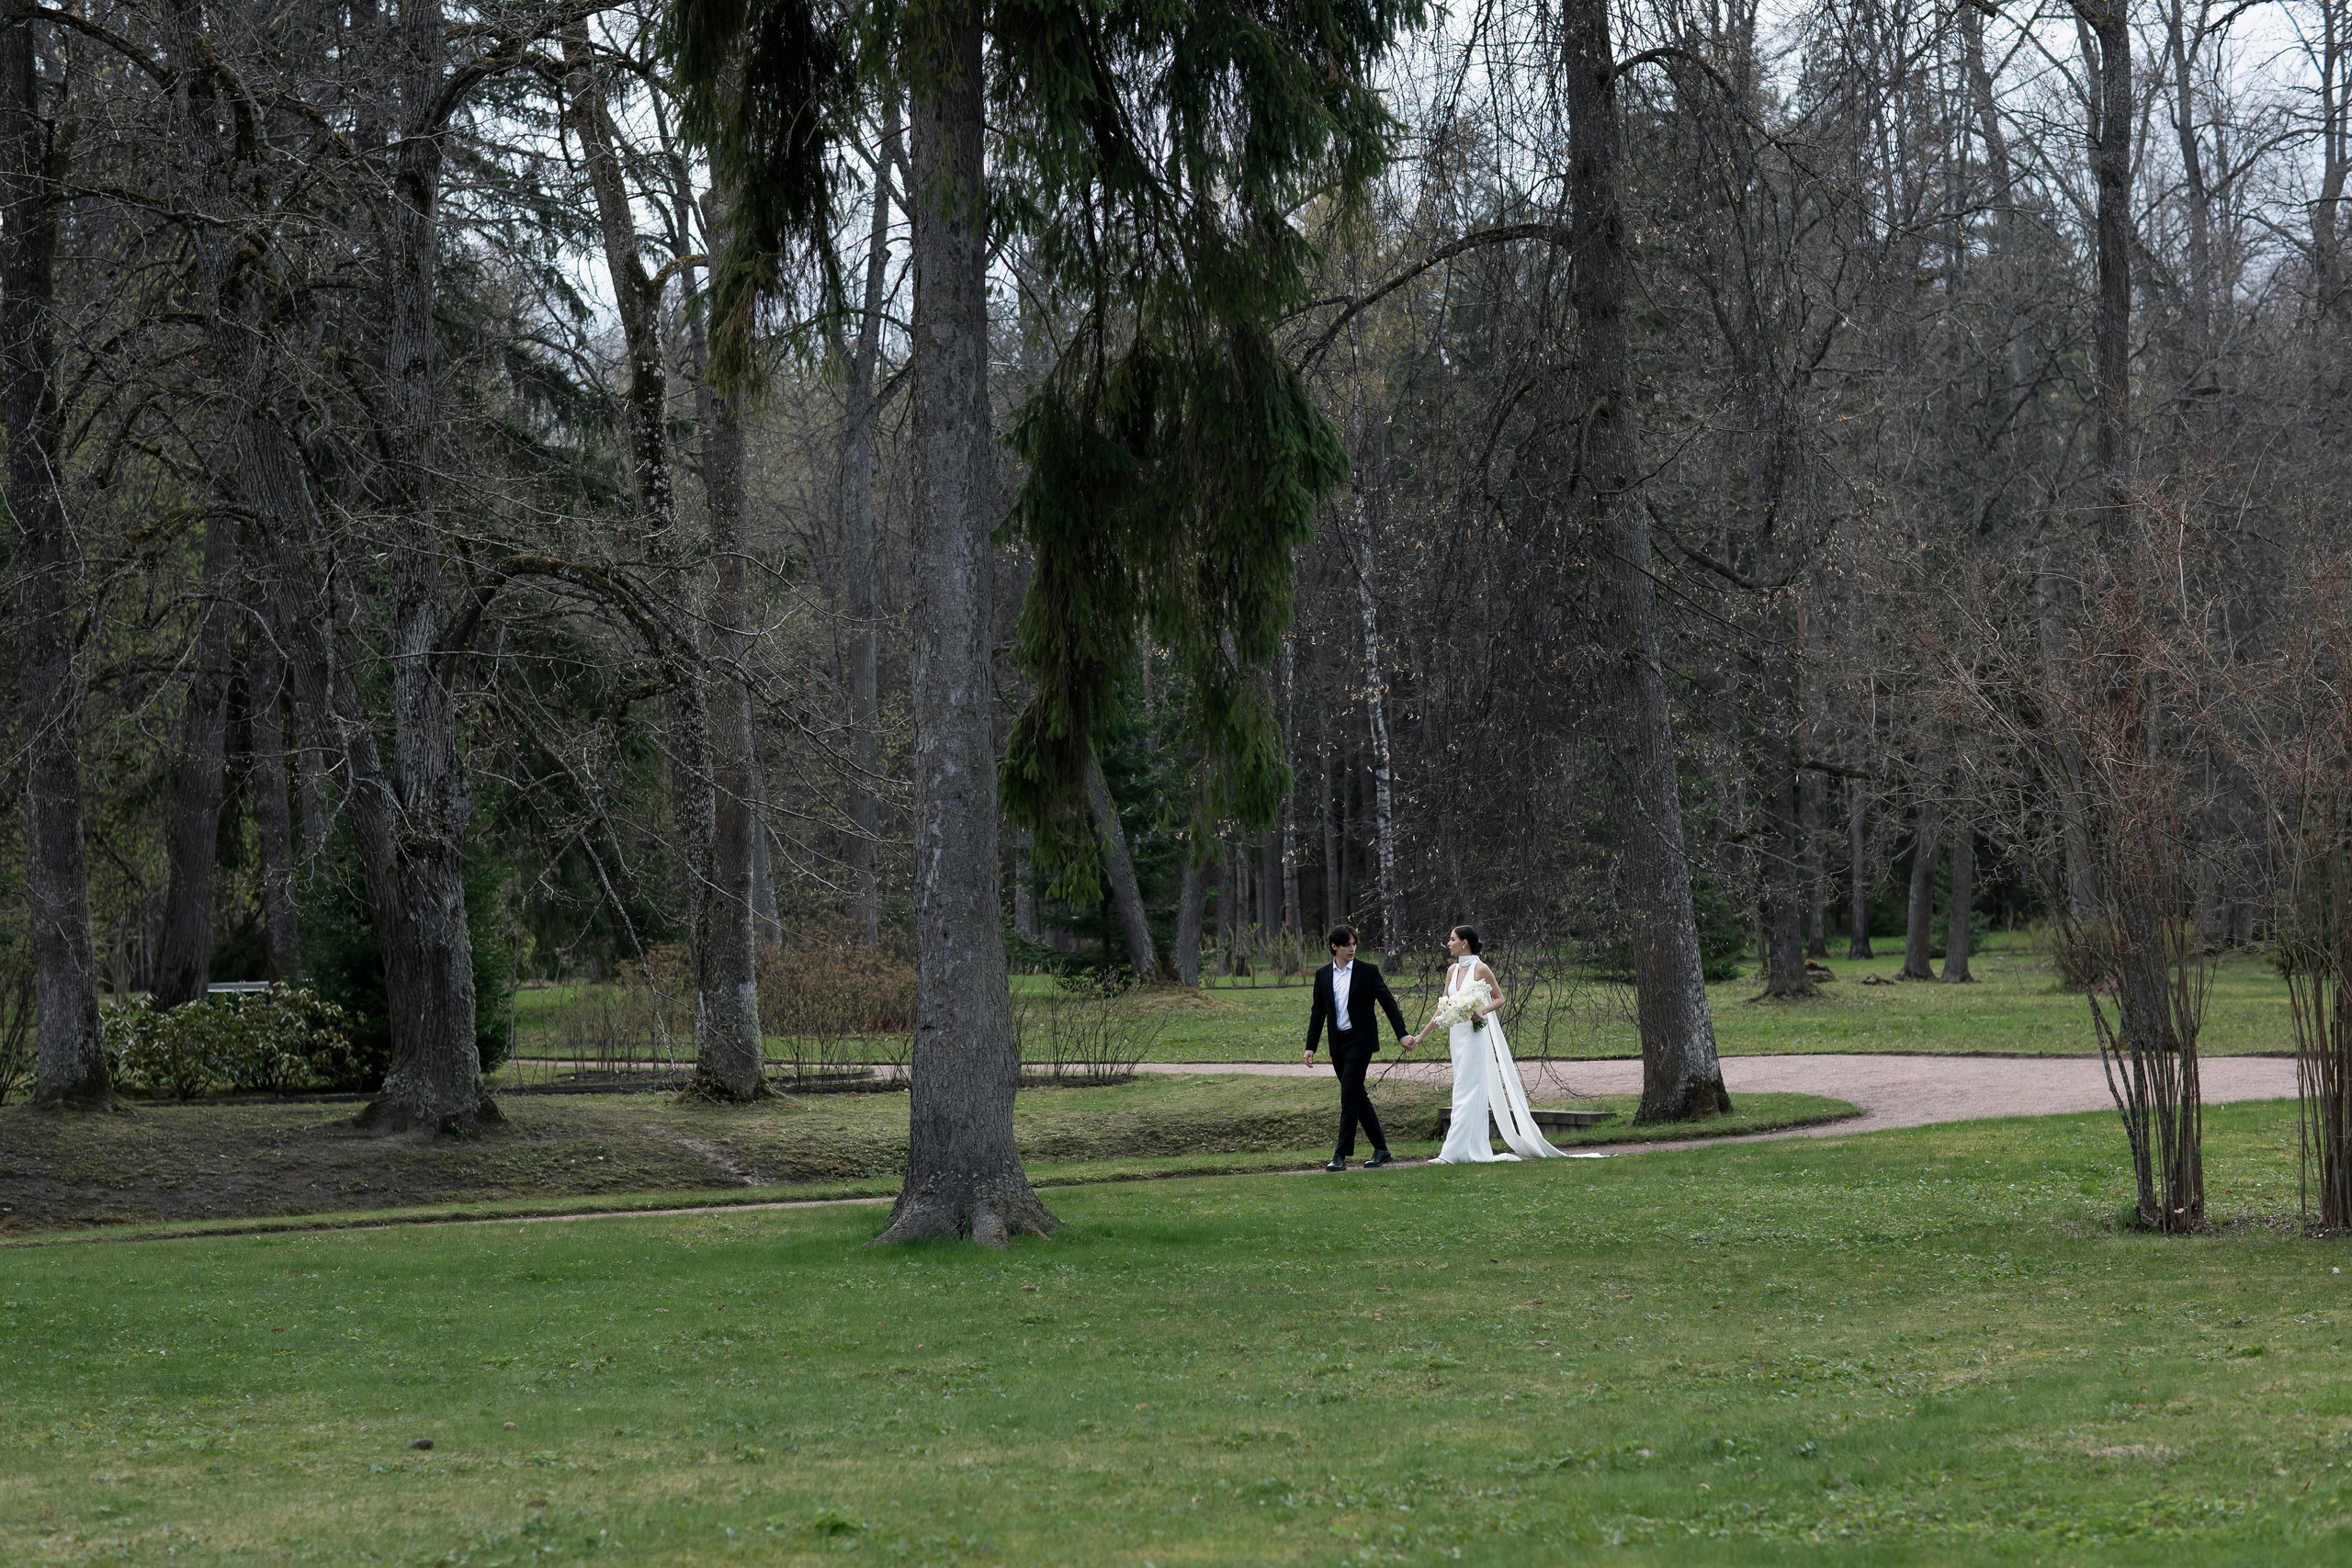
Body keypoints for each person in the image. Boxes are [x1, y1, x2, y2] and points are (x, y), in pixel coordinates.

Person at [1405, 926, 1565, 1163]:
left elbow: (1499, 998)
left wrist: (1482, 1010)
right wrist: (1420, 1037)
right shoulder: (1452, 969)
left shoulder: (1481, 968)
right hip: (1456, 1037)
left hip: (1474, 1036)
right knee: (1463, 1088)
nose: (1448, 944)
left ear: (1465, 943)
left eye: (1452, 939)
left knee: (1465, 1091)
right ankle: (1470, 1149)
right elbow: (1443, 1007)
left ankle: (1451, 1153)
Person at [1305, 926, 1411, 1170]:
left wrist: (1402, 1034)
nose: (1352, 948)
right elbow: (1318, 1012)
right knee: (1357, 1097)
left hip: (1360, 1043)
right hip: (1337, 1044)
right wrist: (1311, 1046)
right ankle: (1382, 1150)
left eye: (1354, 944)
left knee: (1349, 1097)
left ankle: (1340, 1155)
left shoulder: (1367, 971)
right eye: (1347, 945)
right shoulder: (1323, 975)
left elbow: (1389, 1003)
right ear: (1335, 946)